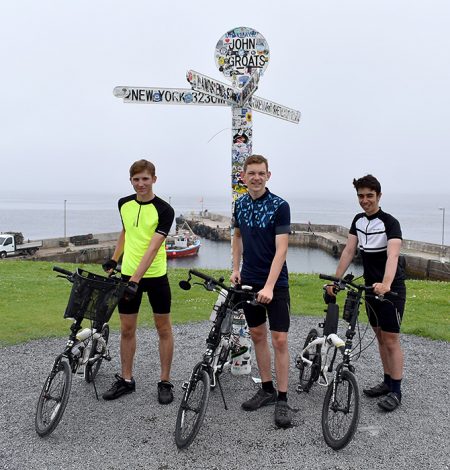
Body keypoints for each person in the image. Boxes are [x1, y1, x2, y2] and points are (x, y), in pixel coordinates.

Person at [327, 174, 406, 412]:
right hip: (370, 288)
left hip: (391, 290)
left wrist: (387, 284)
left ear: (378, 196)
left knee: (391, 340)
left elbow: (392, 256)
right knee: (380, 336)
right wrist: (336, 280)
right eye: (360, 196)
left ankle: (397, 391)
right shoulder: (358, 221)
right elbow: (349, 251)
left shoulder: (390, 222)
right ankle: (387, 381)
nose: (365, 200)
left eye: (369, 196)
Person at [102, 159, 175, 404]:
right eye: (136, 179)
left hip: (155, 277)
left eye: (145, 179)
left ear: (154, 179)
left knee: (163, 329)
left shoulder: (165, 210)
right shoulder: (124, 204)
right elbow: (126, 232)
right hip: (128, 277)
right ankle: (126, 380)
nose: (141, 184)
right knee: (126, 329)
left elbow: (153, 248)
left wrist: (135, 279)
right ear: (131, 180)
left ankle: (164, 381)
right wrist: (114, 259)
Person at [230, 154, 293, 428]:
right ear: (243, 176)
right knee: (257, 334)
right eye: (251, 173)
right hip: (249, 279)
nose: (256, 177)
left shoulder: (280, 206)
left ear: (268, 175)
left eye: (261, 173)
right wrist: (235, 268)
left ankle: (282, 397)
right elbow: (237, 236)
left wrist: (269, 285)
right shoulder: (240, 204)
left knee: (279, 339)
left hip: (275, 283)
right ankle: (266, 389)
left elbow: (282, 249)